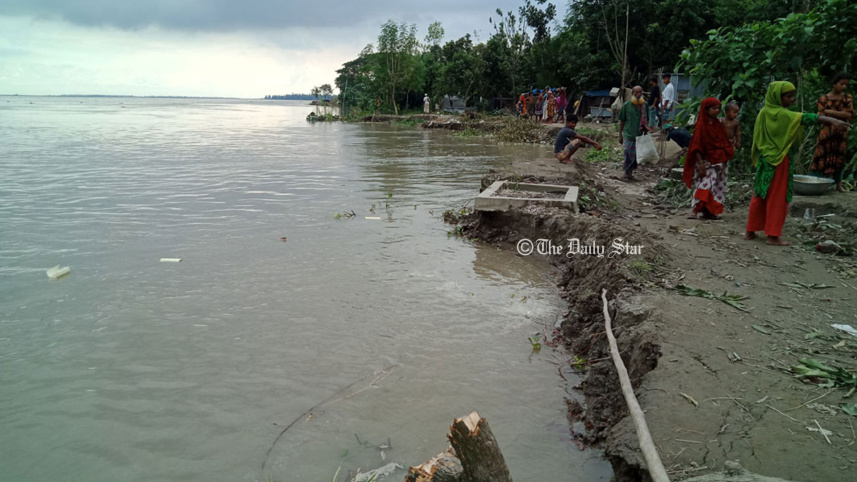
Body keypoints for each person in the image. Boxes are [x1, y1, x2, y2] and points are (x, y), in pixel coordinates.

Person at [745, 81, 850, 246]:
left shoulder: (763, 113)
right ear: (777, 97)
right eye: (788, 96)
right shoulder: (783, 115)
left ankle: (750, 231)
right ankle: (773, 235)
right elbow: (806, 118)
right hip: (780, 161)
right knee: (778, 198)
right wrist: (831, 120)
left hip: (765, 160)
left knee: (760, 193)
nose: (792, 100)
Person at [683, 98, 735, 220]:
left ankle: (709, 211)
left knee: (717, 186)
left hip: (719, 161)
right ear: (706, 109)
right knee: (705, 185)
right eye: (714, 108)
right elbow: (696, 146)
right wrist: (700, 163)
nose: (717, 111)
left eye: (718, 108)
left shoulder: (718, 124)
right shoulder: (701, 125)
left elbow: (722, 140)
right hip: (705, 161)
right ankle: (695, 210)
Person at [810, 72, 855, 192]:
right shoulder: (823, 98)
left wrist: (829, 112)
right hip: (826, 133)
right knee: (821, 156)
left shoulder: (847, 98)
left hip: (841, 134)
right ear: (835, 84)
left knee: (839, 156)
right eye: (842, 84)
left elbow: (849, 115)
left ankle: (838, 184)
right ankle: (816, 183)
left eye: (846, 85)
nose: (844, 87)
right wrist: (837, 114)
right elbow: (820, 115)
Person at [618, 86, 656, 180]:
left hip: (639, 135)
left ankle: (630, 173)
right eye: (636, 92)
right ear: (633, 93)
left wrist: (647, 128)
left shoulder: (644, 105)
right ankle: (627, 172)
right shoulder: (627, 105)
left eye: (640, 92)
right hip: (628, 133)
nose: (638, 94)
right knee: (627, 153)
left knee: (634, 156)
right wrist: (620, 135)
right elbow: (622, 120)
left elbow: (646, 118)